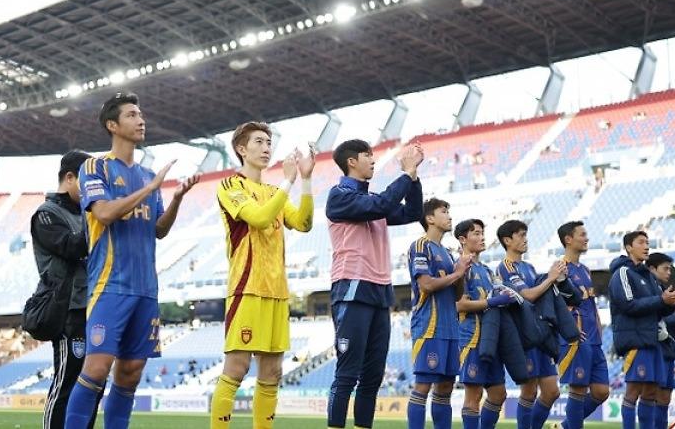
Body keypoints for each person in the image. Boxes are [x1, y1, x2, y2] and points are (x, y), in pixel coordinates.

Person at [64, 93, 199, 429]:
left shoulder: (146, 174)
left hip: (146, 290)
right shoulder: (95, 167)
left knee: (131, 372)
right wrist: (150, 187)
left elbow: (158, 229)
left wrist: (177, 199)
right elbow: (105, 213)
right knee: (96, 368)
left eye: (141, 115)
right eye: (132, 115)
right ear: (113, 125)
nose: (141, 121)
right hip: (110, 285)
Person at [210, 122, 314, 429]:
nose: (267, 147)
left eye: (269, 142)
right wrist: (288, 182)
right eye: (259, 141)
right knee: (237, 368)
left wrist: (305, 181)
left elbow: (304, 223)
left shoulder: (273, 191)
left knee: (272, 374)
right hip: (247, 288)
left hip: (277, 291)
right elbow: (259, 217)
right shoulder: (231, 186)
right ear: (242, 149)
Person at [325, 139, 425, 429]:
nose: (373, 160)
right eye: (368, 155)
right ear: (351, 161)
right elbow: (381, 204)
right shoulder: (339, 195)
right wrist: (405, 174)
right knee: (348, 373)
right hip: (352, 287)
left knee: (373, 376)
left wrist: (414, 176)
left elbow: (412, 213)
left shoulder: (374, 201)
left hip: (379, 290)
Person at [31, 150, 98, 429]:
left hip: (93, 305)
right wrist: (101, 219)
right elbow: (71, 246)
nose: (95, 189)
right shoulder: (46, 214)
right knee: (67, 380)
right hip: (67, 307)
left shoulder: (87, 212)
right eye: (89, 181)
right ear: (70, 178)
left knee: (93, 382)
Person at [407, 199, 472, 429]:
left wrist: (462, 272)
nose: (449, 216)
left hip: (450, 328)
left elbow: (457, 295)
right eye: (444, 211)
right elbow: (426, 285)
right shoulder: (420, 246)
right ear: (430, 218)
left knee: (445, 387)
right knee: (423, 386)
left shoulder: (446, 251)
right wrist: (457, 274)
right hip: (429, 326)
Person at [608, 232, 675, 429]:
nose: (646, 246)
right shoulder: (622, 273)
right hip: (635, 339)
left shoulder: (649, 277)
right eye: (641, 242)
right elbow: (628, 305)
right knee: (633, 391)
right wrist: (661, 300)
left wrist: (671, 302)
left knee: (650, 392)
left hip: (652, 339)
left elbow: (659, 309)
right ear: (628, 247)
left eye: (648, 243)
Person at [496, 220, 566, 429]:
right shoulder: (506, 266)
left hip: (540, 333)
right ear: (507, 240)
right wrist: (551, 278)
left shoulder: (529, 267)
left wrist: (557, 279)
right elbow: (527, 296)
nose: (525, 239)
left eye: (526, 234)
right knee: (529, 391)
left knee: (552, 391)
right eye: (520, 235)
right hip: (523, 336)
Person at [454, 219, 516, 429]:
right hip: (471, 337)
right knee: (475, 394)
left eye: (482, 233)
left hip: (491, 339)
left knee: (499, 394)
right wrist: (493, 301)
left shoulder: (488, 271)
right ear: (462, 239)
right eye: (476, 233)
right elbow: (460, 305)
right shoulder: (461, 267)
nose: (482, 237)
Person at [555, 222, 609, 429]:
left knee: (601, 392)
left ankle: (565, 426)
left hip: (594, 337)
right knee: (578, 390)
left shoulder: (585, 270)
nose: (586, 238)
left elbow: (591, 304)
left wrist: (599, 326)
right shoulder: (560, 268)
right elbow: (556, 305)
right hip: (577, 337)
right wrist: (568, 329)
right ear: (568, 239)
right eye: (582, 234)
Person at [646, 252, 675, 429]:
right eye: (666, 268)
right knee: (654, 395)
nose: (668, 272)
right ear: (653, 269)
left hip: (670, 350)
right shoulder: (650, 292)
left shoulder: (663, 291)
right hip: (657, 350)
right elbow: (653, 321)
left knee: (665, 398)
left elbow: (667, 324)